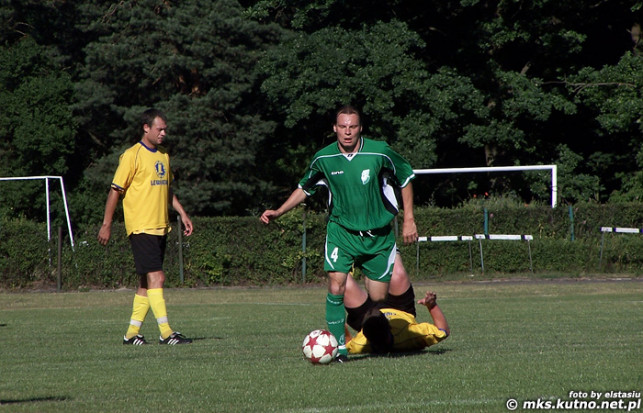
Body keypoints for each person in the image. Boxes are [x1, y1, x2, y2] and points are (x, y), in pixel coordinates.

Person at [261, 105, 418, 361]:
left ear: (360, 128)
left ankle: (384, 336)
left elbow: (406, 177)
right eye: (342, 126)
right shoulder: (323, 158)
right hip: (341, 232)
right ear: (334, 128)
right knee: (336, 285)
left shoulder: (379, 151)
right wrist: (279, 211)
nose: (347, 132)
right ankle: (339, 350)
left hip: (377, 235)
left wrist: (409, 219)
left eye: (352, 127)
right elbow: (305, 188)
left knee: (377, 301)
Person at [98, 108, 194, 345]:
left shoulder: (163, 155)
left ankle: (131, 334)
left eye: (165, 129)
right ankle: (166, 332)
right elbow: (115, 190)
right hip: (141, 227)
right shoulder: (132, 155)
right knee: (157, 277)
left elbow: (167, 190)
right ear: (146, 128)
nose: (163, 133)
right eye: (159, 129)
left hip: (161, 227)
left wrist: (182, 213)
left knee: (145, 283)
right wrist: (106, 224)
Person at [344, 252, 450, 354]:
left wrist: (341, 326)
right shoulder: (410, 335)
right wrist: (432, 306)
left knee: (343, 284)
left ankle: (351, 258)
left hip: (365, 319)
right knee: (398, 274)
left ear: (364, 334)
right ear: (390, 326)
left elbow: (347, 343)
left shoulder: (361, 344)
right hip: (399, 308)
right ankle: (385, 250)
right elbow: (443, 331)